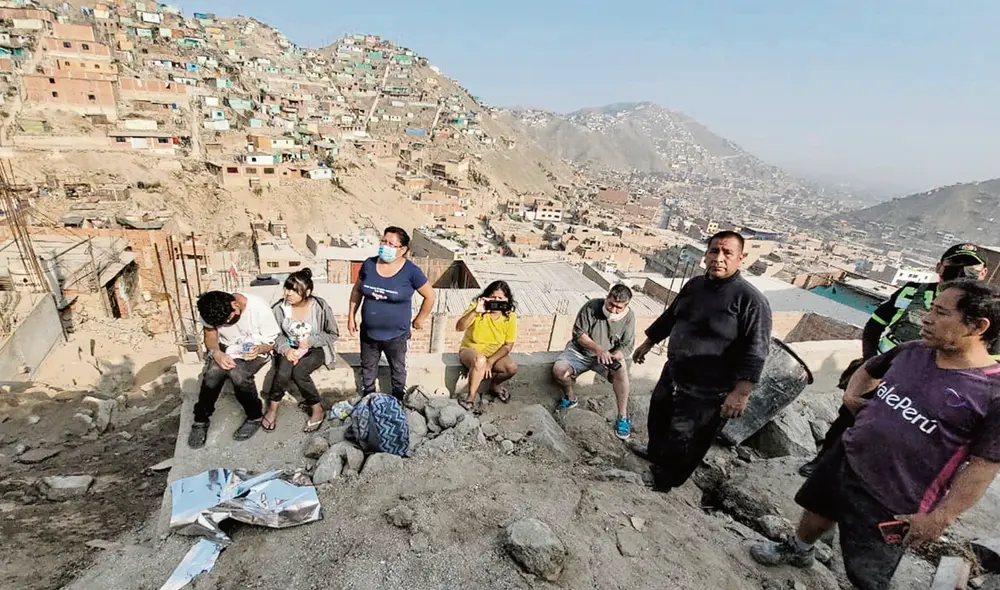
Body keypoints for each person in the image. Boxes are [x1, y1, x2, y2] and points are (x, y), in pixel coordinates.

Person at [751, 280, 1000, 590]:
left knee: (867, 572)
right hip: (848, 456)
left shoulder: (992, 393)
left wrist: (941, 517)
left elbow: (983, 466)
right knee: (819, 507)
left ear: (977, 326)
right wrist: (851, 397)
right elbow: (869, 368)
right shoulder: (913, 351)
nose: (926, 318)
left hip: (897, 495)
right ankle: (800, 549)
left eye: (940, 312)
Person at [798, 243, 992, 477]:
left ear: (983, 273)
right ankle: (825, 462)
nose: (960, 274)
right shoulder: (913, 292)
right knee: (849, 419)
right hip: (886, 374)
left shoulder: (986, 312)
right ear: (939, 268)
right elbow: (875, 326)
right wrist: (870, 363)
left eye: (970, 269)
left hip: (936, 390)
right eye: (954, 267)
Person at [631, 231, 772, 492]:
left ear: (740, 258)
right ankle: (654, 454)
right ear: (706, 255)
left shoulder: (751, 301)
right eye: (714, 251)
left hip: (709, 389)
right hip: (675, 373)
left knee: (686, 438)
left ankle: (664, 480)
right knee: (659, 417)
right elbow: (672, 316)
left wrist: (741, 393)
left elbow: (756, 350)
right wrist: (648, 342)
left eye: (727, 253)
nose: (719, 258)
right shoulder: (695, 285)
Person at [347, 227, 436, 400]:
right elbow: (357, 290)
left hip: (397, 336)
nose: (385, 246)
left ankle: (397, 400)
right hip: (369, 333)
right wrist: (351, 316)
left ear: (402, 250)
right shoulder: (369, 264)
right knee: (368, 368)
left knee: (398, 369)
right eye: (383, 241)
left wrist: (419, 319)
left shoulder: (411, 271)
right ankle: (369, 399)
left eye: (391, 244)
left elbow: (430, 296)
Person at [188, 290, 280, 448]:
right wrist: (216, 353)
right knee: (212, 373)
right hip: (228, 348)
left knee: (238, 374)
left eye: (227, 320)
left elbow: (274, 342)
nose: (224, 325)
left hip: (257, 348)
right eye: (220, 324)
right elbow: (210, 337)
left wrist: (259, 349)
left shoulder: (258, 307)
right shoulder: (210, 311)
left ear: (235, 304)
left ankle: (254, 416)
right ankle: (201, 420)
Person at [553, 284, 636, 440]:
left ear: (626, 306)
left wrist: (617, 354)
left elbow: (627, 345)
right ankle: (570, 398)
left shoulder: (629, 317)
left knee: (621, 369)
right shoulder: (591, 307)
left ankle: (622, 417)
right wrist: (598, 349)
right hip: (580, 352)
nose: (613, 310)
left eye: (618, 308)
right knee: (560, 370)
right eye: (610, 304)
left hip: (607, 357)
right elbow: (579, 334)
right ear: (607, 298)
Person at [263, 268, 339, 433]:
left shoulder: (320, 306)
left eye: (294, 290)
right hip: (289, 348)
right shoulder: (279, 308)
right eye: (287, 288)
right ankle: (272, 408)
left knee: (299, 372)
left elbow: (332, 334)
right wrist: (286, 349)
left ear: (307, 292)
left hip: (315, 348)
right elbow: (273, 335)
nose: (288, 293)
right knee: (282, 372)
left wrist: (310, 341)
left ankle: (317, 409)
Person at [456, 280, 519, 410]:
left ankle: (494, 385)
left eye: (500, 298)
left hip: (494, 353)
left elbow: (508, 345)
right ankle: (470, 398)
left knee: (511, 368)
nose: (496, 301)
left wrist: (491, 361)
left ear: (507, 300)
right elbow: (459, 327)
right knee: (480, 360)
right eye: (493, 297)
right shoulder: (477, 308)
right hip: (471, 349)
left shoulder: (510, 316)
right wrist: (475, 311)